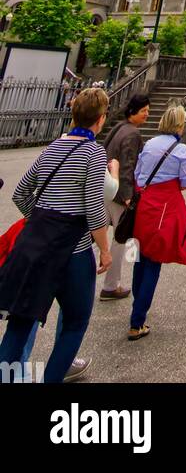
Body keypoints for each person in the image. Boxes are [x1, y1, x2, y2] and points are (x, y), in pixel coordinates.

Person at [0, 87, 112, 384]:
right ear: (100, 120)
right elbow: (94, 208)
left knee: (20, 321)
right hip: (72, 251)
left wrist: (40, 220)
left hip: (35, 247)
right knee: (75, 323)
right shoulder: (94, 151)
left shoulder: (52, 147)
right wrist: (105, 249)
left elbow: (21, 192)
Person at [128, 104, 186, 341]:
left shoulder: (149, 144)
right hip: (164, 211)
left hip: (143, 207)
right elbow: (185, 182)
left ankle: (136, 307)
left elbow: (138, 175)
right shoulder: (180, 150)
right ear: (179, 125)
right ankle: (137, 321)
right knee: (154, 261)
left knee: (139, 258)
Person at [101, 94, 150, 301]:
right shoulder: (132, 134)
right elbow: (128, 167)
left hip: (106, 190)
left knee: (94, 234)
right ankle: (111, 286)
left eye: (148, 111)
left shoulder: (118, 127)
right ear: (133, 112)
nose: (147, 115)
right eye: (143, 111)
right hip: (121, 195)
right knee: (121, 240)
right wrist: (129, 196)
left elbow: (104, 151)